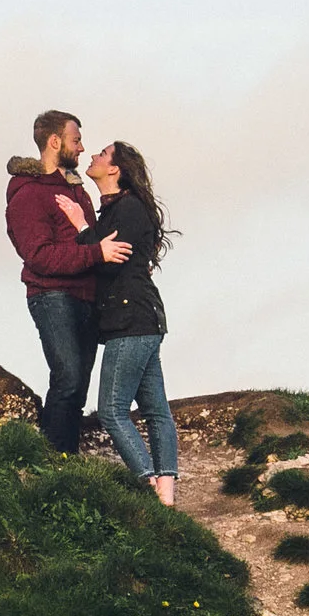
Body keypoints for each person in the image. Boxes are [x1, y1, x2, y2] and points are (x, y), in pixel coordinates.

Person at [5, 110, 131, 455]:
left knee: (77, 388)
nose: (81, 147)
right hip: (53, 296)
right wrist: (96, 255)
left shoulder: (78, 192)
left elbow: (94, 240)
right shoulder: (28, 193)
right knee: (68, 378)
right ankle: (49, 461)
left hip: (86, 298)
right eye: (76, 140)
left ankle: (65, 463)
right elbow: (40, 257)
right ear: (55, 141)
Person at [65, 140, 178, 504]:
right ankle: (166, 497)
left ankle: (147, 485)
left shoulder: (128, 208)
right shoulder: (117, 208)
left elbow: (109, 256)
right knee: (156, 410)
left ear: (115, 168)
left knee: (112, 411)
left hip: (131, 321)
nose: (93, 156)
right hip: (140, 320)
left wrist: (81, 226)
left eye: (101, 154)